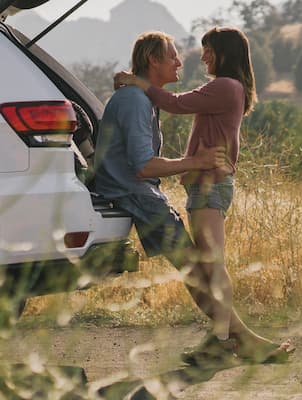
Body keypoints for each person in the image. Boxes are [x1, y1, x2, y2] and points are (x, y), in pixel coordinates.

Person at [114, 27, 291, 365]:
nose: (202, 56)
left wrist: (138, 83)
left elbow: (176, 103)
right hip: (206, 185)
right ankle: (226, 339)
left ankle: (221, 341)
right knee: (210, 263)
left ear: (224, 53)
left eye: (208, 50)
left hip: (209, 184)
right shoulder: (229, 88)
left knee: (212, 264)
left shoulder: (225, 86)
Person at [94, 31, 242, 364]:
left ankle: (233, 339)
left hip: (142, 193)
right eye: (173, 56)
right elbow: (145, 166)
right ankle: (234, 340)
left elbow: (174, 104)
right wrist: (197, 161)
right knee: (200, 270)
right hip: (138, 195)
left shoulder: (141, 97)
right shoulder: (134, 100)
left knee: (201, 269)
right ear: (153, 60)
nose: (182, 61)